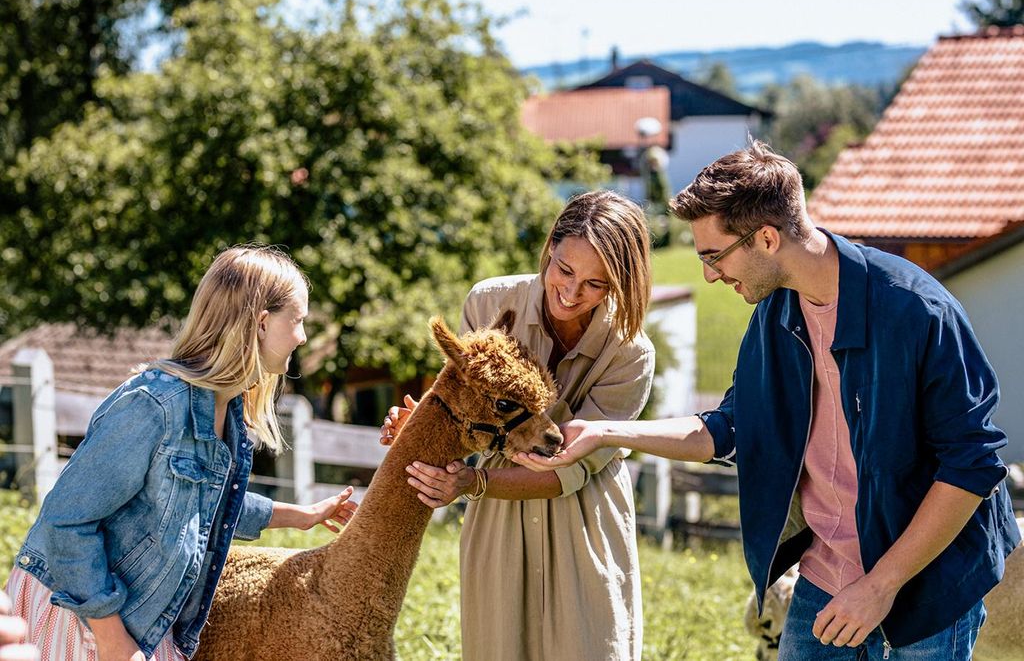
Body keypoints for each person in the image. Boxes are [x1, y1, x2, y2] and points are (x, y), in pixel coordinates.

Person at [516, 142, 1021, 660]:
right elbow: (731, 428)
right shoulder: (775, 316)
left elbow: (972, 465)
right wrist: (604, 432)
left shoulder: (917, 311)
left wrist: (880, 587)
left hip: (926, 584)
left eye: (713, 256)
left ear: (766, 238)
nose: (709, 275)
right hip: (827, 576)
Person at [5, 246, 358, 661]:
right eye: (297, 321)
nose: (302, 337)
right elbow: (66, 521)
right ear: (262, 323)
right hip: (78, 614)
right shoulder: (155, 405)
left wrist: (302, 516)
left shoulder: (226, 409)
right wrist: (112, 639)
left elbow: (200, 505)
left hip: (131, 622)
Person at [380, 191, 655, 661]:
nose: (571, 292)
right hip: (498, 523)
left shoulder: (630, 353)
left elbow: (572, 466)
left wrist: (474, 482)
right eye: (563, 270)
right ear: (550, 248)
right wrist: (420, 428)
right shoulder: (489, 302)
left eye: (595, 284)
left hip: (583, 523)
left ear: (619, 283)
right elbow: (466, 408)